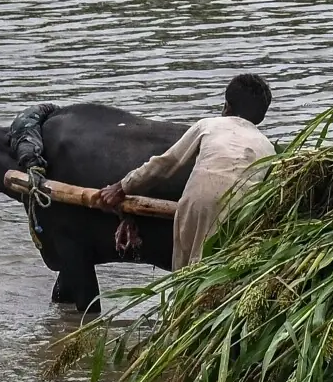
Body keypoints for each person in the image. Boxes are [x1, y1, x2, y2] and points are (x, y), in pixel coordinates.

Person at [97, 74, 275, 269]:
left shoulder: (208, 125)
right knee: (222, 270)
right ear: (261, 117)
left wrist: (122, 186)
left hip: (198, 203)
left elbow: (165, 164)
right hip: (241, 212)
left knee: (187, 270)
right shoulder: (267, 147)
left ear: (226, 107)